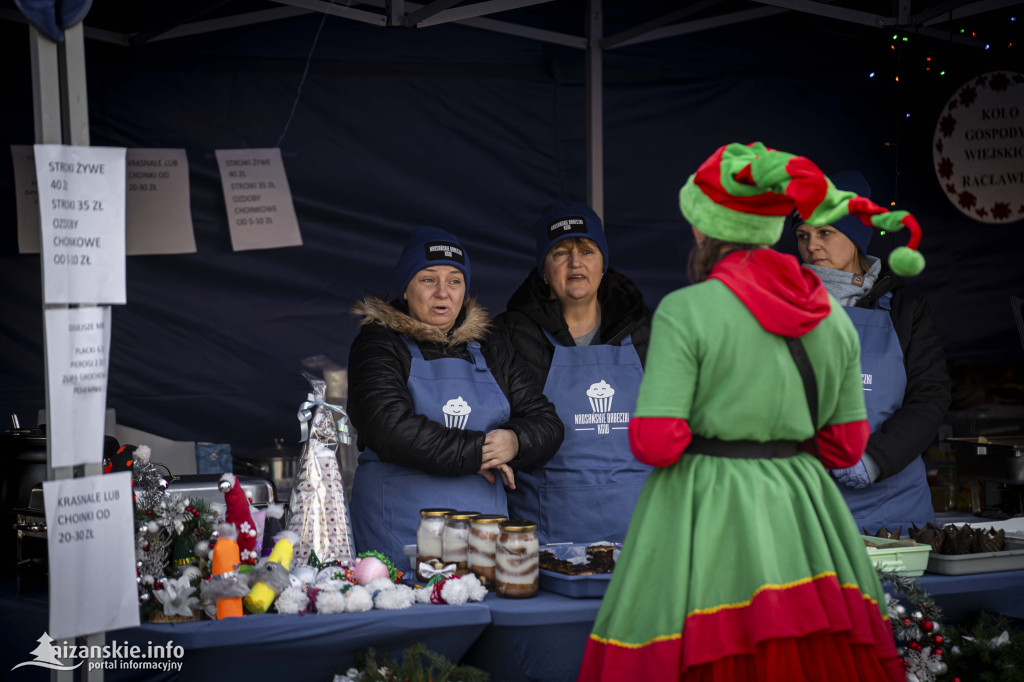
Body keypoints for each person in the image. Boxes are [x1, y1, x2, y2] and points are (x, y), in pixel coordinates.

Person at [579, 143, 912, 682]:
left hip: (704, 509)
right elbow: (845, 447)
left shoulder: (687, 311)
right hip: (804, 516)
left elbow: (655, 443)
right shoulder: (829, 317)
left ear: (702, 229)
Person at [347, 226, 564, 565]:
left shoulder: (492, 346)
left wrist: (515, 441)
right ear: (406, 287)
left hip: (483, 536)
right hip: (398, 532)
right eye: (428, 280)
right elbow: (387, 425)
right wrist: (478, 451)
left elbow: (546, 422)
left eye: (454, 281)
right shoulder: (378, 343)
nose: (442, 294)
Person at [793, 171, 950, 533]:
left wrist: (875, 459)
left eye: (825, 233)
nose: (811, 246)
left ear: (856, 235)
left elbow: (929, 398)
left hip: (892, 511)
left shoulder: (905, 309)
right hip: (804, 508)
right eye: (803, 236)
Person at [494, 202, 652, 544]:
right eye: (560, 252)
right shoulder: (509, 335)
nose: (575, 262)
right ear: (543, 269)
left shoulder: (649, 332)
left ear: (603, 262)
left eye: (587, 250)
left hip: (642, 530)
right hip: (545, 530)